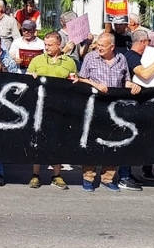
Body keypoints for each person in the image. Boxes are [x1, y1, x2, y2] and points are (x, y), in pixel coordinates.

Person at [74, 32, 141, 192]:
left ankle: (108, 177)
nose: (98, 48)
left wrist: (132, 85)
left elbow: (125, 80)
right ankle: (88, 178)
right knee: (91, 143)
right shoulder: (90, 57)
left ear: (112, 47)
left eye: (102, 46)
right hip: (94, 107)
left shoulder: (121, 59)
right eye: (97, 45)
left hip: (115, 109)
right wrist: (95, 84)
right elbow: (80, 79)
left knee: (114, 143)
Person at [25, 32, 78, 189]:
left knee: (58, 140)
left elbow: (74, 82)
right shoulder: (37, 60)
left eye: (50, 45)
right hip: (40, 107)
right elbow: (26, 81)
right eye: (45, 45)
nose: (46, 47)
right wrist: (30, 76)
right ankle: (35, 174)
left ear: (59, 45)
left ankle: (57, 175)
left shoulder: (70, 62)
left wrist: (75, 80)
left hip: (60, 108)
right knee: (38, 140)